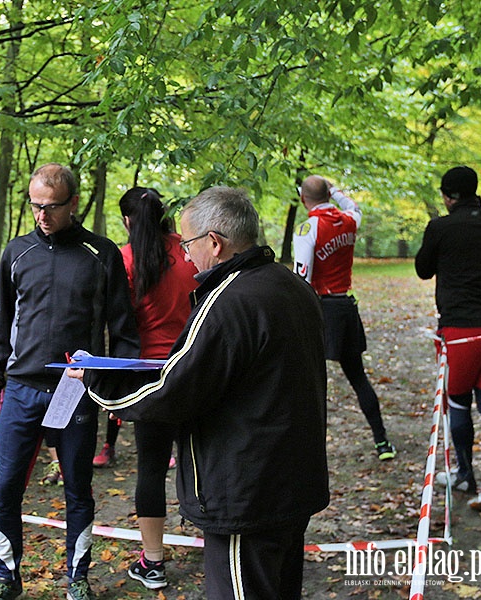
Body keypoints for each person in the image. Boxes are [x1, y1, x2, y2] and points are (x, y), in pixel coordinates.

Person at [80, 186, 329, 600]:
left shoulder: (228, 300)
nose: (185, 254)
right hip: (292, 483)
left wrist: (95, 382)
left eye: (188, 243)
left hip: (245, 495)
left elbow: (174, 390)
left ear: (214, 242)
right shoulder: (291, 285)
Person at [0, 163, 140, 600]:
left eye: (51, 207)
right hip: (21, 388)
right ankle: (6, 579)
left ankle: (77, 578)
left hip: (75, 390)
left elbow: (123, 330)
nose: (42, 215)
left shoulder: (101, 254)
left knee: (78, 488)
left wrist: (115, 388)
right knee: (6, 487)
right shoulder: (16, 252)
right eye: (35, 206)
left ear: (73, 203)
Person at [110, 187, 198, 590]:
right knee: (203, 457)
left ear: (128, 221)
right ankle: (219, 542)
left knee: (151, 466)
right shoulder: (187, 251)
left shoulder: (125, 260)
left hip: (149, 377)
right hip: (194, 366)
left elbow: (117, 325)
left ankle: (154, 561)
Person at [415, 165, 481, 511]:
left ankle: (465, 474)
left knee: (457, 401)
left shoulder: (440, 226)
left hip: (461, 330)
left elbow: (423, 269)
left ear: (447, 196)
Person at [293, 176, 396, 461]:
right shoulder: (349, 220)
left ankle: (304, 449)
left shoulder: (307, 228)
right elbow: (354, 206)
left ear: (303, 199)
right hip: (345, 306)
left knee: (309, 381)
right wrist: (335, 190)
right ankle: (382, 442)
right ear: (329, 194)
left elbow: (303, 278)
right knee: (358, 377)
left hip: (320, 309)